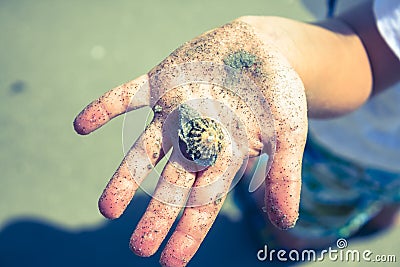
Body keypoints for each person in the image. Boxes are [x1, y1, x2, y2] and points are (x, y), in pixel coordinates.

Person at [73, 0, 400, 266]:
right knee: (386, 198)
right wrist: (271, 45)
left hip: (346, 148)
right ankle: (380, 220)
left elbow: (364, 52)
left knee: (294, 224)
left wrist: (276, 45)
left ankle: (291, 244)